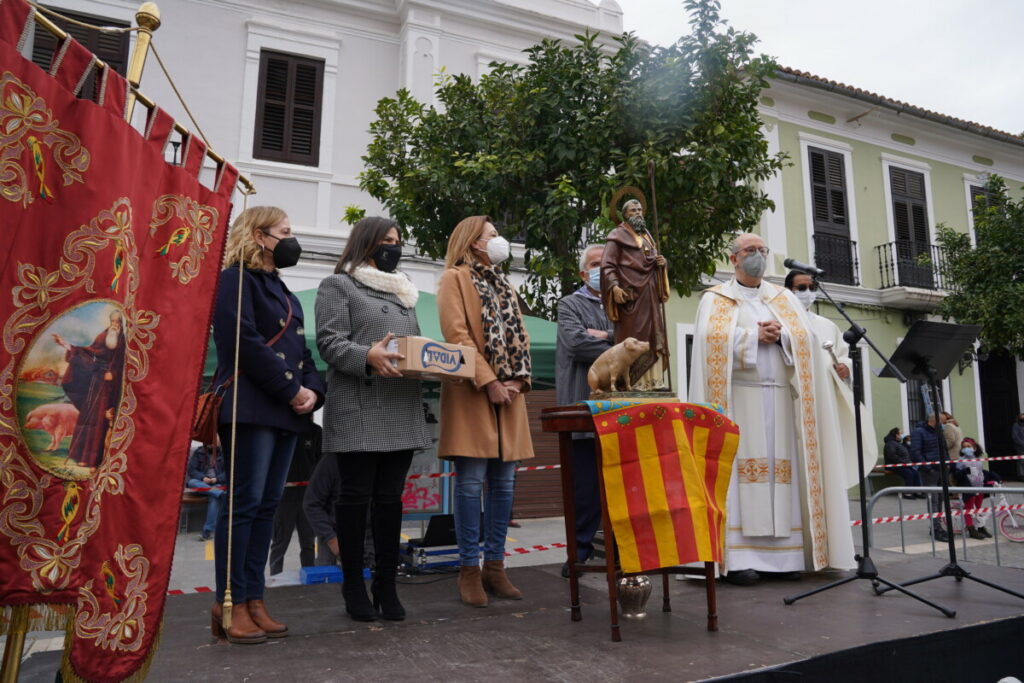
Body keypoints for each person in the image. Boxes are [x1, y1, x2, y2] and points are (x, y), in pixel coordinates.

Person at [689, 233, 860, 585]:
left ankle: (786, 559)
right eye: (750, 250)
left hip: (781, 399)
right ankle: (738, 560)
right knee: (740, 477)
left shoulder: (782, 298)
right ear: (734, 258)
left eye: (762, 250)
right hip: (738, 401)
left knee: (785, 474)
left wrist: (782, 335)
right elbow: (707, 340)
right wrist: (753, 336)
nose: (757, 256)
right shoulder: (716, 298)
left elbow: (807, 339)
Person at [211, 206, 325, 644]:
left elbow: (304, 354)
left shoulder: (286, 293)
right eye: (285, 231)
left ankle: (255, 600)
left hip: (285, 411)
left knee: (266, 508)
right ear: (259, 236)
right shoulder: (234, 281)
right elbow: (244, 343)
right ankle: (231, 603)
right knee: (244, 505)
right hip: (250, 406)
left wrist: (314, 391)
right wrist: (290, 388)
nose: (292, 239)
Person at [315, 216, 431, 622]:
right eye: (385, 240)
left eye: (398, 241)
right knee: (354, 497)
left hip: (399, 405)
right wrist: (367, 355)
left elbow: (410, 347)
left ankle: (386, 583)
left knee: (389, 500)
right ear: (365, 243)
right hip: (359, 406)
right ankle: (352, 584)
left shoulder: (406, 294)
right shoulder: (339, 285)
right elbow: (329, 342)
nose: (393, 247)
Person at [437, 215, 535, 607]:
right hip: (473, 393)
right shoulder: (453, 279)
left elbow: (520, 336)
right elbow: (456, 335)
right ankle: (468, 570)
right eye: (493, 235)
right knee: (471, 483)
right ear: (473, 242)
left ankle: (496, 566)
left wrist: (517, 381)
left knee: (505, 485)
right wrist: (490, 380)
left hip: (509, 395)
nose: (500, 241)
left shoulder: (504, 283)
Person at [555, 244, 614, 578]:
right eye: (595, 264)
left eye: (606, 264)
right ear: (582, 272)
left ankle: (619, 552)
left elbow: (639, 339)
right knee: (585, 490)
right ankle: (578, 553)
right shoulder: (569, 304)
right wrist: (618, 342)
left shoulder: (622, 303)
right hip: (582, 409)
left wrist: (605, 334)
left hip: (619, 410)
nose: (601, 269)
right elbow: (578, 345)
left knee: (619, 485)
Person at [600, 198, 670, 390]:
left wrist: (661, 265)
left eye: (640, 209)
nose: (638, 212)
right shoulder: (616, 236)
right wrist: (614, 286)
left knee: (653, 336)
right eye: (633, 210)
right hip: (631, 296)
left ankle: (654, 381)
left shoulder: (647, 235)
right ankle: (634, 381)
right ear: (625, 214)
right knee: (634, 337)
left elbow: (652, 260)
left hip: (649, 294)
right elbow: (607, 265)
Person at [53, 308, 127, 469]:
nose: (114, 325)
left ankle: (96, 461)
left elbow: (125, 365)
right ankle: (83, 457)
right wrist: (65, 345)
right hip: (95, 383)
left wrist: (113, 374)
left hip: (110, 388)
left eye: (117, 322)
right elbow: (88, 353)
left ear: (121, 324)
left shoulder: (123, 342)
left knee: (102, 420)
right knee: (89, 417)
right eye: (113, 322)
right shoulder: (103, 337)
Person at [302, 453, 375, 568]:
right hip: (334, 540)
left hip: (369, 538)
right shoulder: (332, 461)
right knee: (330, 583)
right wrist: (331, 540)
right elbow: (311, 504)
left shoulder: (377, 459)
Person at [268, 424, 321, 575]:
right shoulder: (280, 430)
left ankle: (310, 575)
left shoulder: (315, 431)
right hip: (284, 495)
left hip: (308, 495)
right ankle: (275, 577)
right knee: (280, 542)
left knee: (308, 542)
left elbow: (320, 461)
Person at [909, 413, 948, 543]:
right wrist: (927, 467)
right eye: (942, 422)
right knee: (934, 500)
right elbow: (915, 451)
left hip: (941, 469)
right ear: (935, 421)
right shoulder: (918, 432)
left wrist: (947, 464)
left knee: (941, 499)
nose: (944, 425)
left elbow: (944, 449)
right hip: (930, 471)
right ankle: (936, 529)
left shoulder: (939, 432)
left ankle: (938, 526)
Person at [952, 437, 1000, 539]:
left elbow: (981, 471)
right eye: (964, 447)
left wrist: (993, 476)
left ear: (974, 448)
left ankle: (980, 527)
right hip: (969, 488)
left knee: (978, 509)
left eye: (968, 446)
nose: (966, 448)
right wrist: (965, 471)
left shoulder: (977, 459)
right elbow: (956, 475)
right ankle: (971, 529)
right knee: (969, 509)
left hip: (980, 487)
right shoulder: (961, 461)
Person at [185, 441, 226, 541]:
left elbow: (229, 471)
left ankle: (207, 531)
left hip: (217, 483)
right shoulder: (199, 452)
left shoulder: (226, 452)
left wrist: (217, 479)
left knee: (214, 498)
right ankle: (220, 494)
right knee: (192, 482)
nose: (212, 443)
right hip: (202, 484)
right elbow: (191, 470)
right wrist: (203, 478)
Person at [882, 427, 922, 498]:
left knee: (915, 473)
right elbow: (892, 456)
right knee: (909, 474)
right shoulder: (890, 444)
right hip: (895, 466)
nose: (902, 435)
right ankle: (907, 493)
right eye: (900, 434)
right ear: (896, 435)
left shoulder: (896, 443)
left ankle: (916, 492)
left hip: (902, 465)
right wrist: (903, 462)